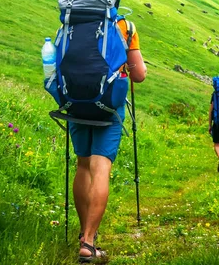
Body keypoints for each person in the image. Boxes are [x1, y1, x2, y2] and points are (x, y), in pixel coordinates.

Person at [72, 18, 147, 263]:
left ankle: (83, 233)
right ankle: (89, 243)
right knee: (100, 167)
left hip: (76, 104)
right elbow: (139, 76)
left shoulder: (72, 22)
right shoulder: (126, 26)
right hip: (109, 106)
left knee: (82, 165)